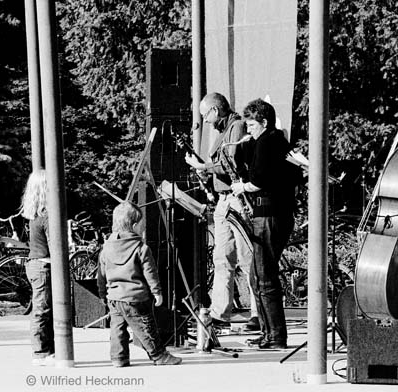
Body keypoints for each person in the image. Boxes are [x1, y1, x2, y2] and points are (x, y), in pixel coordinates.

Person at [184, 92, 260, 331]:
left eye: (205, 115)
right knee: (222, 258)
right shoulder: (223, 132)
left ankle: (258, 314)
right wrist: (205, 171)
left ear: (215, 111)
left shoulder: (237, 127)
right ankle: (219, 313)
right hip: (223, 201)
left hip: (237, 200)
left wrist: (204, 166)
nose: (205, 121)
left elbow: (233, 164)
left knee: (248, 259)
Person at [231, 98, 296, 349]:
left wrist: (241, 187)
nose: (248, 130)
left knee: (264, 275)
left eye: (251, 125)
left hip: (269, 214)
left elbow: (258, 179)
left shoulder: (270, 141)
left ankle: (276, 335)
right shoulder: (270, 141)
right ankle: (269, 333)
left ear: (264, 122)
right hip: (273, 213)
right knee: (258, 275)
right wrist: (247, 147)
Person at [97, 202, 181, 367]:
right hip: (136, 297)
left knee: (117, 330)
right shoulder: (141, 248)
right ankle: (159, 355)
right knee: (147, 328)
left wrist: (101, 294)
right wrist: (157, 292)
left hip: (114, 298)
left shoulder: (106, 248)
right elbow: (150, 272)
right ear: (135, 226)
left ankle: (119, 358)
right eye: (141, 224)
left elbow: (101, 274)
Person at [21, 170, 55, 366]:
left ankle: (44, 351)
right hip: (44, 264)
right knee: (42, 309)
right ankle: (41, 352)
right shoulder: (47, 216)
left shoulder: (34, 215)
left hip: (35, 264)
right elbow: (54, 246)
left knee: (42, 308)